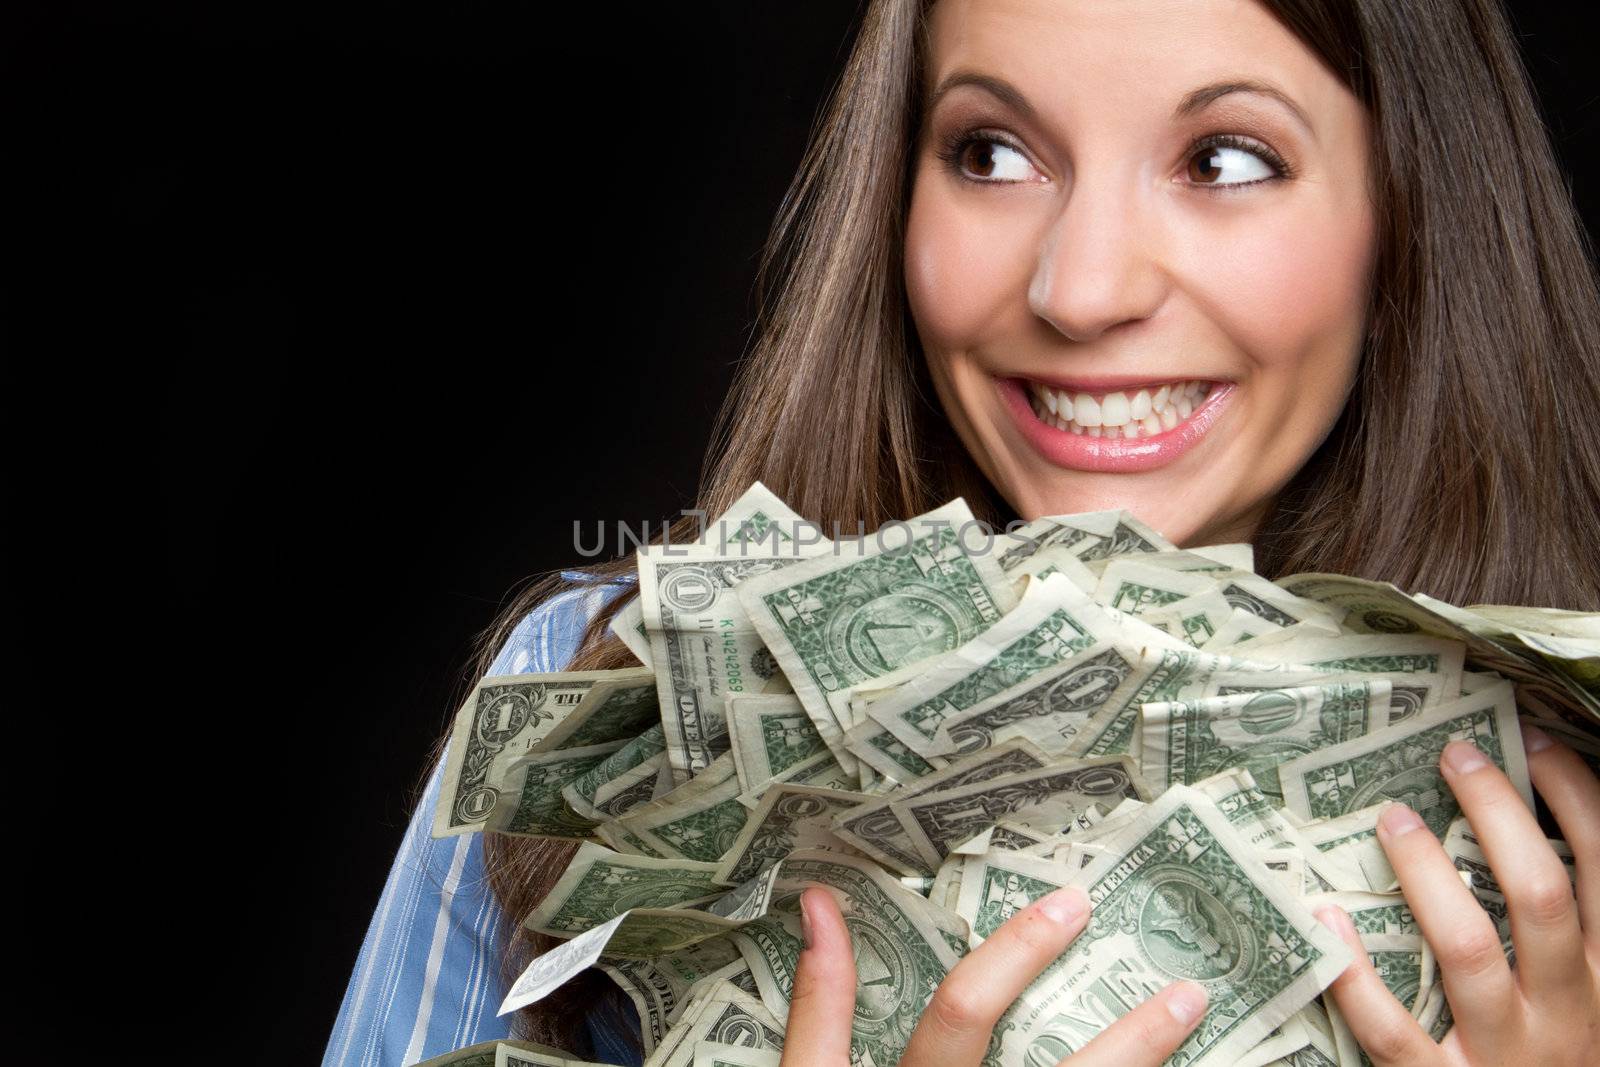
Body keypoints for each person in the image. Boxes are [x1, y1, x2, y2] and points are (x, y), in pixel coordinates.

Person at [324, 0, 1600, 1063]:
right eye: (992, 153)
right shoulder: (601, 691)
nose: (1078, 287)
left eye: (1223, 160)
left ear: (1417, 214)